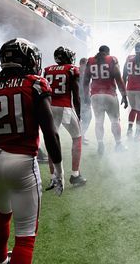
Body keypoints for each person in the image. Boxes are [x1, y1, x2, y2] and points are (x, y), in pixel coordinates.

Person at [0, 38, 64, 264]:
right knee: (25, 236)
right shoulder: (34, 84)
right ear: (27, 59)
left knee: (3, 213)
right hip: (23, 162)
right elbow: (51, 133)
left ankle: (2, 260)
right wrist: (59, 171)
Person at [43, 47, 87, 188]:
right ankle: (75, 175)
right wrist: (78, 112)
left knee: (52, 141)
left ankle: (53, 177)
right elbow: (76, 94)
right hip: (64, 107)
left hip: (50, 107)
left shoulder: (47, 70)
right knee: (77, 137)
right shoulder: (71, 69)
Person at [82, 45, 128, 155]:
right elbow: (118, 79)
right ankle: (118, 144)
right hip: (109, 94)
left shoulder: (90, 61)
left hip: (95, 95)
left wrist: (86, 96)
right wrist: (124, 95)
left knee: (99, 121)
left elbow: (85, 81)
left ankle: (100, 144)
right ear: (108, 52)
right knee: (115, 121)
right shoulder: (111, 59)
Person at [77, 57, 92, 144]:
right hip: (81, 98)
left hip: (84, 98)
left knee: (87, 118)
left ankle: (81, 135)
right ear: (81, 64)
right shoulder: (78, 73)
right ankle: (80, 137)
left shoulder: (86, 73)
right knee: (84, 118)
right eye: (86, 65)